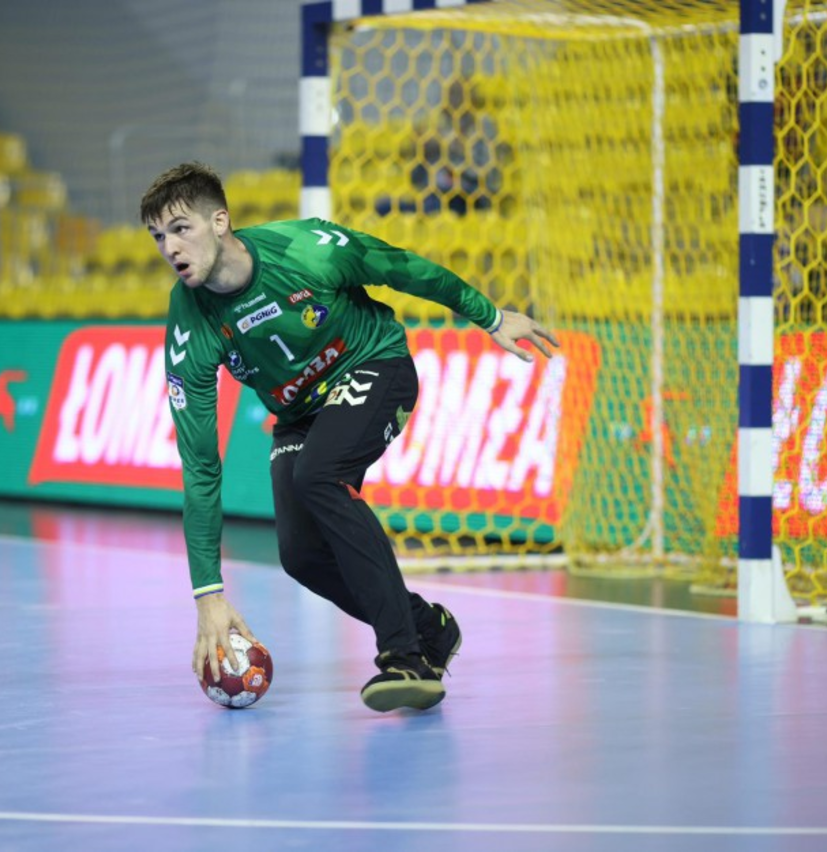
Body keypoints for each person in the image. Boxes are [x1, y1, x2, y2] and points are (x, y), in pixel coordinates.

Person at [141, 162, 558, 712]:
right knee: (300, 555)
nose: (170, 247)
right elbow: (200, 464)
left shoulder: (307, 250)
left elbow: (402, 268)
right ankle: (430, 628)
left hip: (375, 365)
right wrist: (208, 595)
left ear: (219, 222)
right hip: (299, 412)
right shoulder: (189, 322)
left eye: (181, 228)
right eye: (158, 237)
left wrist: (489, 316)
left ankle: (404, 657)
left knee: (319, 476)